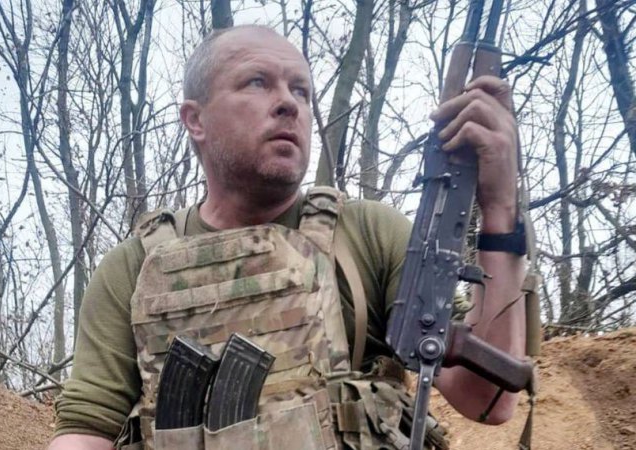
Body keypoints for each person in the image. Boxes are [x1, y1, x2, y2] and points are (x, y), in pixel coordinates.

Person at [48, 24, 526, 450]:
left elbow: (488, 399)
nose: (289, 103)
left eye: (302, 90)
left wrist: (501, 209)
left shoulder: (368, 235)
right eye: (257, 82)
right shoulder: (134, 269)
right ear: (195, 119)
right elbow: (86, 431)